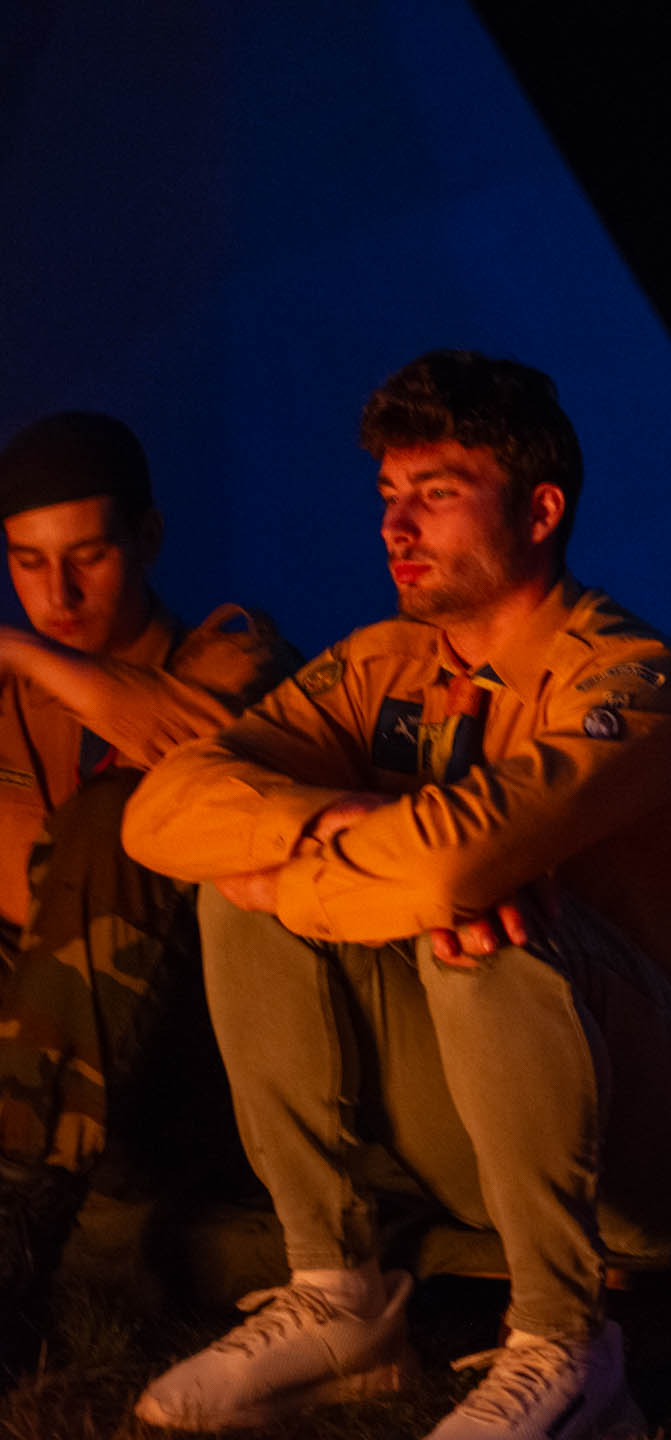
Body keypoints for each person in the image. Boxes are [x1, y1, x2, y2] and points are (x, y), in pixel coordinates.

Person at [119, 351, 671, 1440]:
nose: (396, 525)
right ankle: (337, 1297)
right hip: (488, 1126)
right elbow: (159, 812)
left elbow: (447, 870)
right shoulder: (385, 663)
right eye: (388, 494)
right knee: (241, 895)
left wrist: (308, 876)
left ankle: (568, 1344)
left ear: (540, 511)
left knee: (484, 921)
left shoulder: (635, 679)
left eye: (435, 493)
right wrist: (325, 823)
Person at [0, 411, 294, 1327]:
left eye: (87, 556)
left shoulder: (231, 655)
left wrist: (21, 650)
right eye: (27, 563)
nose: (58, 593)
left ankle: (15, 1240)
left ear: (149, 538)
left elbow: (186, 742)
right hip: (38, 1057)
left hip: (184, 1063)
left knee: (117, 818)